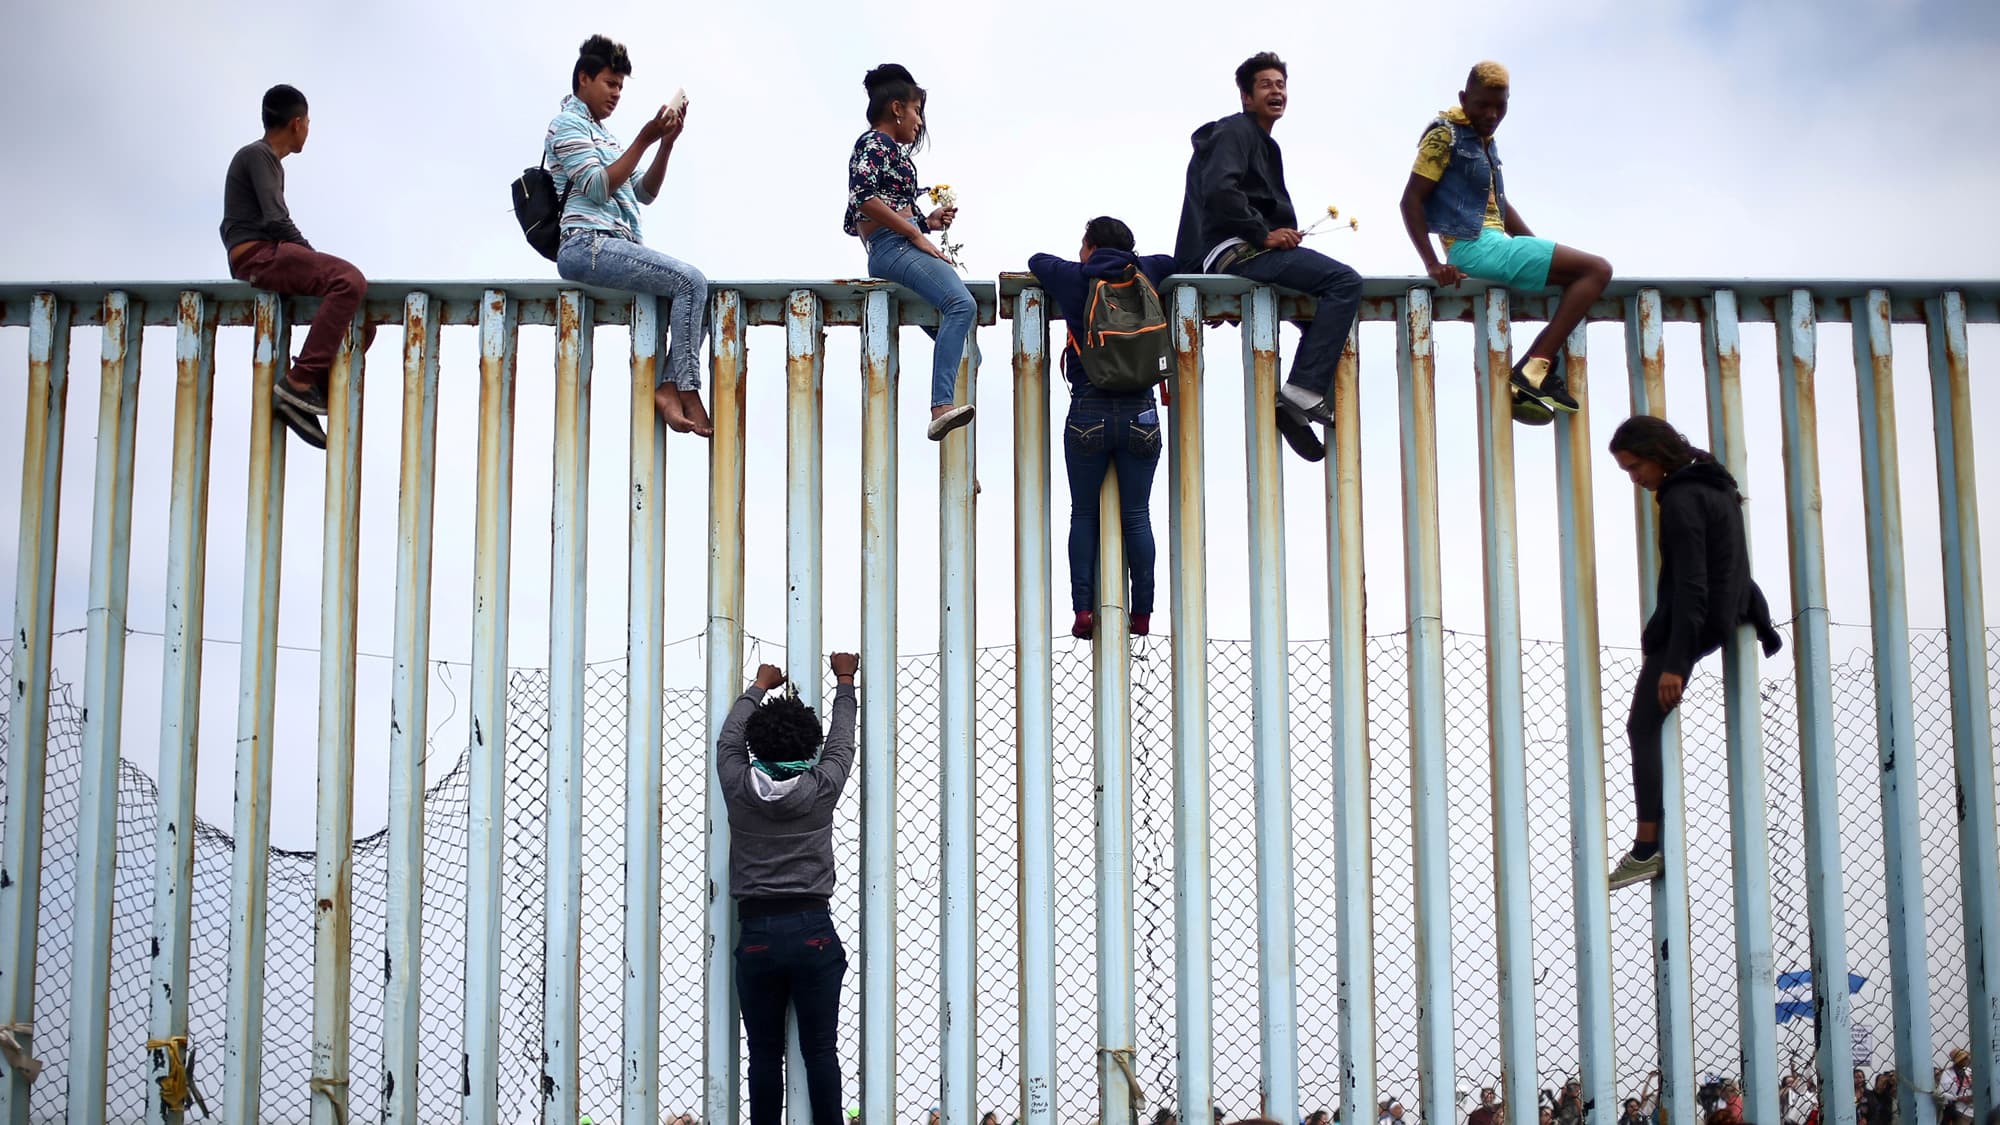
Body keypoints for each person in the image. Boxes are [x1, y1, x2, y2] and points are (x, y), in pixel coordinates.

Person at [1606, 415, 1784, 889]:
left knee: (1641, 725)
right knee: (1643, 724)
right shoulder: (1714, 484)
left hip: (1694, 623)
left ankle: (1646, 849)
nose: (1635, 478)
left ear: (1657, 455)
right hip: (1721, 614)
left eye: (1636, 466)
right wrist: (1758, 619)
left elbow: (1691, 584)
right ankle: (1647, 847)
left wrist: (1675, 666)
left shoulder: (1682, 500)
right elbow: (1733, 562)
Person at [1175, 51, 1363, 464]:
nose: (1276, 91)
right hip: (1237, 252)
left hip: (1240, 251)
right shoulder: (1233, 132)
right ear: (1246, 96)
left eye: (1281, 84)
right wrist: (1263, 233)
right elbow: (1220, 192)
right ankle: (1302, 392)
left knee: (1316, 315)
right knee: (1345, 282)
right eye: (1265, 84)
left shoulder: (1262, 143)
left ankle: (1293, 406)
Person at [1398, 61, 1612, 424]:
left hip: (1493, 244)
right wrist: (1432, 263)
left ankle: (1529, 378)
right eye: (1483, 105)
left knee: (1578, 276)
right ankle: (1534, 369)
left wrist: (1533, 243)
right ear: (1464, 99)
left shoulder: (1485, 141)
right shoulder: (1444, 135)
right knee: (1597, 269)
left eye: (1500, 106)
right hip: (1474, 247)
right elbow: (1411, 200)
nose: (1492, 114)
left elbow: (1499, 202)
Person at [717, 653, 861, 1124]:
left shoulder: (738, 785)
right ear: (808, 744)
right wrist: (844, 680)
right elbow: (843, 744)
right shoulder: (820, 788)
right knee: (820, 1051)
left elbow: (727, 740)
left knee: (763, 1055)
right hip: (812, 929)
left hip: (756, 932)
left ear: (758, 744)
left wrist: (758, 685)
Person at [546, 34, 712, 436]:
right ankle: (682, 388)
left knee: (699, 294)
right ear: (584, 78)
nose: (616, 93)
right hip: (586, 244)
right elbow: (597, 187)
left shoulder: (604, 136)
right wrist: (644, 137)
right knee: (690, 281)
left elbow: (643, 192)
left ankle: (673, 383)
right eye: (609, 83)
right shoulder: (566, 125)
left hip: (614, 244)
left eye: (620, 86)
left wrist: (665, 144)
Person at [1028, 216, 1175, 640]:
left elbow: (1037, 260)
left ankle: (1084, 611)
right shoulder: (1147, 271)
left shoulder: (1075, 279)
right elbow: (1180, 259)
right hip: (1142, 413)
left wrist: (1080, 267)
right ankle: (1142, 613)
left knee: (1084, 513)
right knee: (1137, 515)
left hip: (1088, 410)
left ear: (1090, 246)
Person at [221, 83, 374, 450]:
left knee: (363, 321)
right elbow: (276, 220)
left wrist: (310, 261)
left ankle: (306, 393)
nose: (308, 129)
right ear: (297, 123)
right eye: (308, 122)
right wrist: (309, 255)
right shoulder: (258, 155)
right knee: (348, 280)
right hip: (257, 254)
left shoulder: (265, 159)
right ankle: (299, 383)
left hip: (266, 253)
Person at [845, 63, 976, 441]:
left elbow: (888, 205)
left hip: (899, 246)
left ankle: (963, 455)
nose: (919, 122)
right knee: (961, 306)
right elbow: (864, 200)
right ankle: (940, 407)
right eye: (917, 110)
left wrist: (928, 223)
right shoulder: (873, 144)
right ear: (898, 108)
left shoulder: (890, 153)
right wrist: (916, 236)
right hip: (893, 249)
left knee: (969, 349)